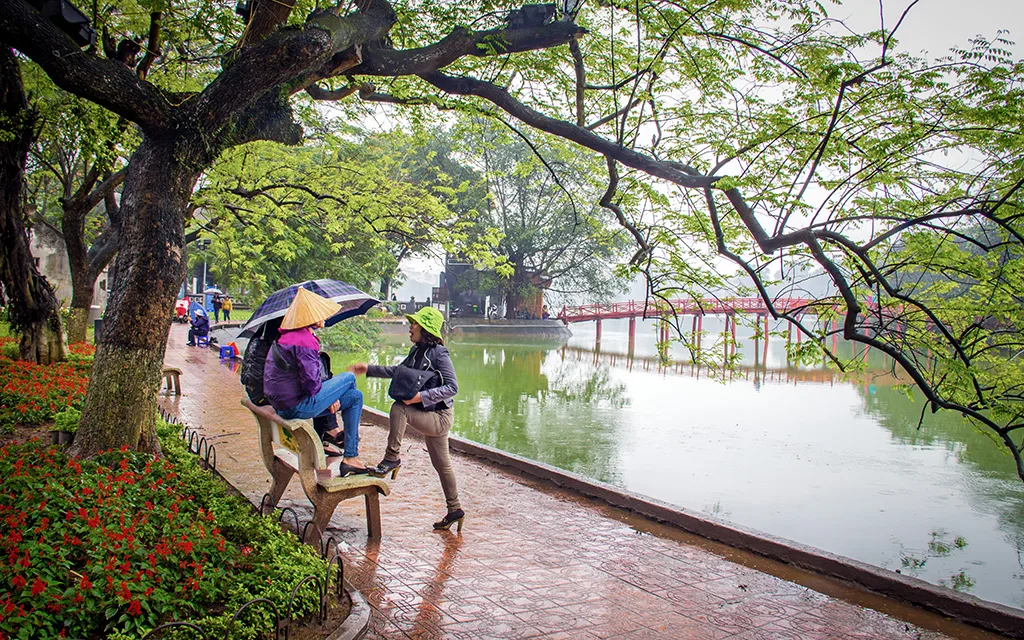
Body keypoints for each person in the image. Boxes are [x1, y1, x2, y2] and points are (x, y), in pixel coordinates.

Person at [348, 307, 464, 531]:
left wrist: (421, 396)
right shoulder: (415, 351)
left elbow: (453, 387)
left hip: (439, 416)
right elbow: (397, 371)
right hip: (428, 414)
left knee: (399, 408)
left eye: (415, 324)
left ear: (426, 329)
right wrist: (368, 369)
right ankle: (455, 509)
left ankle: (392, 457)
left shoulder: (440, 353)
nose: (410, 326)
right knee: (442, 466)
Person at [263, 288, 368, 476]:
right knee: (350, 377)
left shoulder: (286, 337)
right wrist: (331, 397)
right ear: (310, 317)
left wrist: (331, 396)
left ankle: (351, 456)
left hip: (282, 405)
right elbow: (311, 385)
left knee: (356, 397)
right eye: (321, 313)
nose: (325, 317)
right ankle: (335, 435)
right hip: (296, 407)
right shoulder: (304, 340)